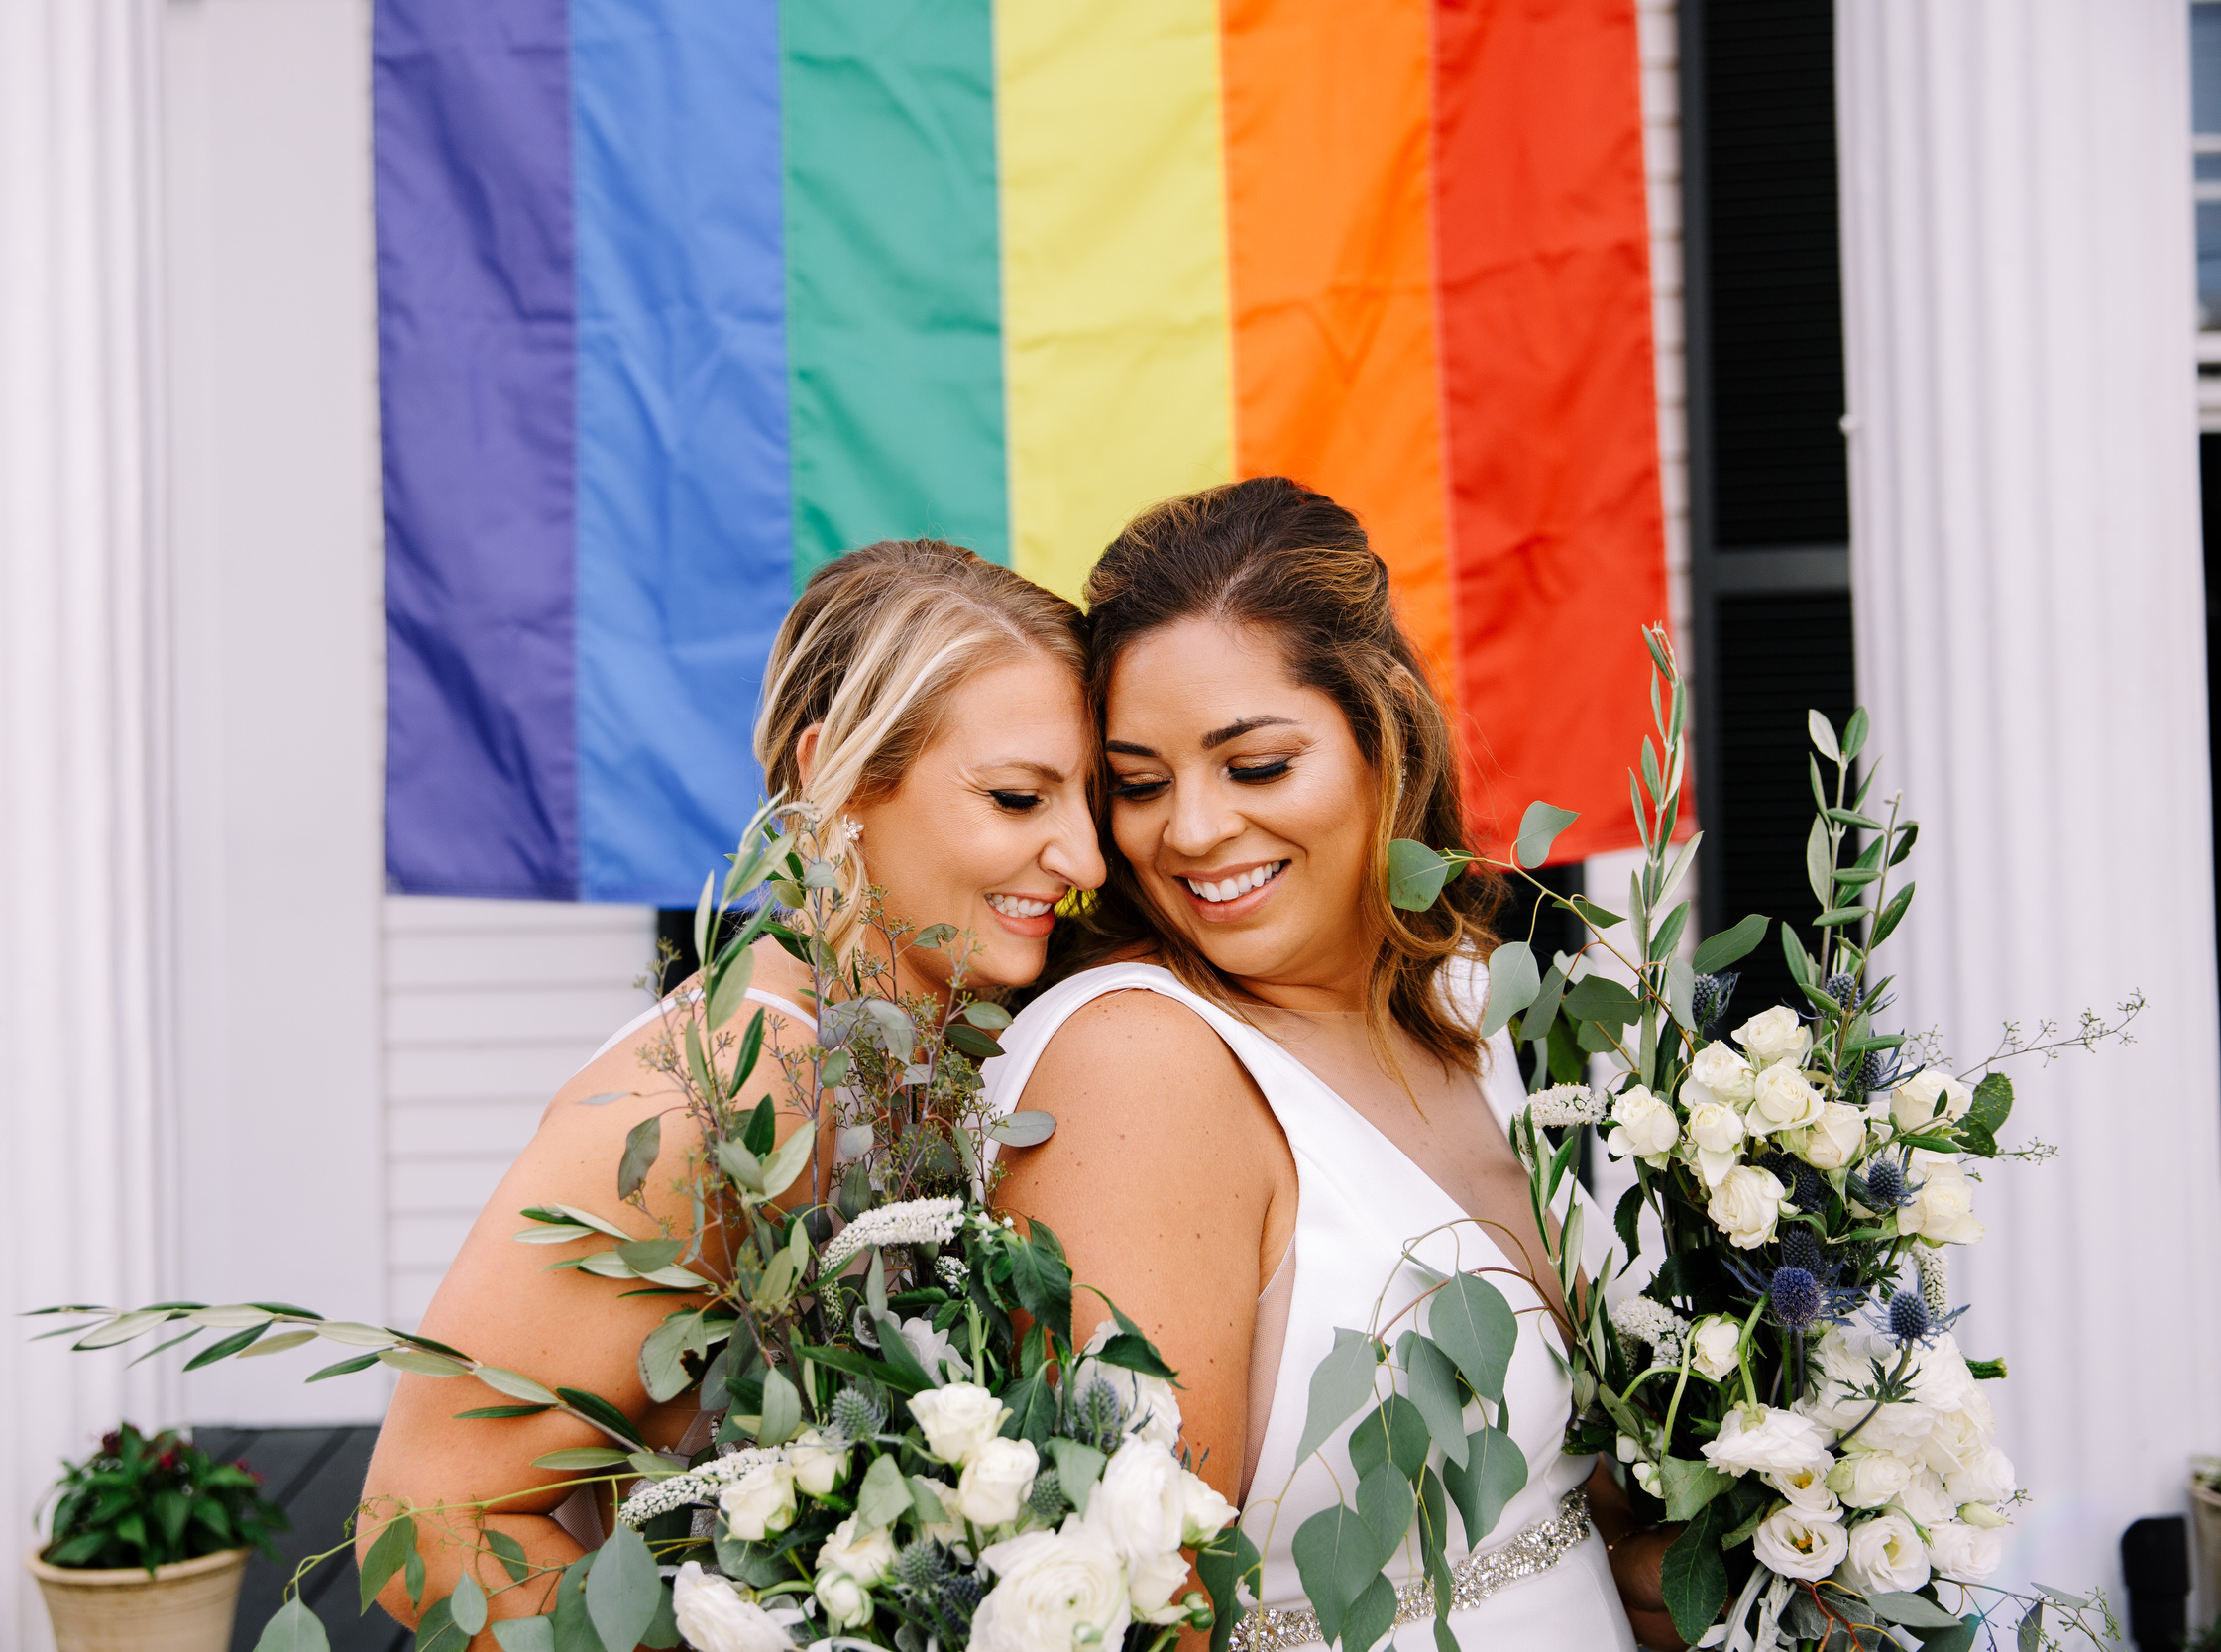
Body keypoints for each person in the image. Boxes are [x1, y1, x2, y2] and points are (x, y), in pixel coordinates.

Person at [362, 539, 1106, 1630]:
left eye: (1093, 794)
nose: (1084, 856)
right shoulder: (713, 1098)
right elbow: (423, 1521)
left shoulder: (953, 1042)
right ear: (833, 775)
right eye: (1016, 797)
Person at [988, 479, 1675, 1649]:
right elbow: (1144, 1613)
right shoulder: (1137, 1064)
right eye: (1139, 784)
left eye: (1252, 766)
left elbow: (1564, 1505)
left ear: (1384, 729)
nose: (1191, 831)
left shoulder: (1467, 995)